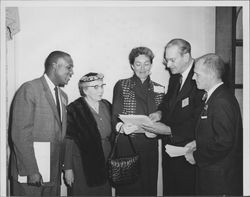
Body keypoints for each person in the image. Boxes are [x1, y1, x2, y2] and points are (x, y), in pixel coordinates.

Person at [144, 39, 204, 196]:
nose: (168, 65)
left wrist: (168, 130)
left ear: (186, 56)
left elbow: (199, 120)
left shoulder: (201, 76)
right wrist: (159, 113)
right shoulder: (175, 77)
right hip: (169, 151)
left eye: (172, 60)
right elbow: (167, 103)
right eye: (166, 60)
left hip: (188, 151)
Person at [9, 50, 74, 196]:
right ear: (55, 66)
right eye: (69, 67)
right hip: (31, 174)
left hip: (53, 172)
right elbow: (20, 134)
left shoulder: (63, 96)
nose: (72, 72)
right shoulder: (30, 89)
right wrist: (31, 170)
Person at [185, 53, 243, 195]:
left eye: (197, 74)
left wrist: (196, 156)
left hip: (219, 179)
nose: (193, 78)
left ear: (210, 75)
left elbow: (224, 142)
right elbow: (214, 132)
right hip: (213, 174)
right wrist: (197, 142)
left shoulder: (221, 100)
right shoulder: (216, 96)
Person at [112, 46, 165, 196]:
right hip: (127, 143)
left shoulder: (160, 88)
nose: (142, 68)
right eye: (138, 64)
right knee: (128, 189)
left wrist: (160, 116)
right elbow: (115, 115)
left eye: (146, 63)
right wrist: (121, 127)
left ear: (151, 65)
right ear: (131, 65)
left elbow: (166, 116)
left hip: (150, 145)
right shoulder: (122, 85)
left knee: (148, 187)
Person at [64, 73, 112, 196]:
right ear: (85, 90)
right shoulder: (74, 109)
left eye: (102, 86)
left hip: (105, 160)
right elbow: (68, 140)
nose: (101, 90)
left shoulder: (107, 105)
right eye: (95, 87)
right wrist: (68, 168)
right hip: (82, 163)